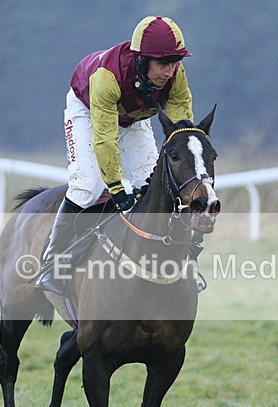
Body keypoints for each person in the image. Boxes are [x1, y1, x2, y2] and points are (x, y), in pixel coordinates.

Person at [37, 15, 194, 294]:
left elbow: (181, 126)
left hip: (132, 118)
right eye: (162, 64)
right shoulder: (107, 77)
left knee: (154, 184)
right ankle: (51, 263)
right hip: (89, 110)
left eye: (174, 63)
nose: (169, 72)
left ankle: (162, 266)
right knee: (88, 185)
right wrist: (116, 186)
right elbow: (105, 138)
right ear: (142, 60)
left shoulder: (175, 74)